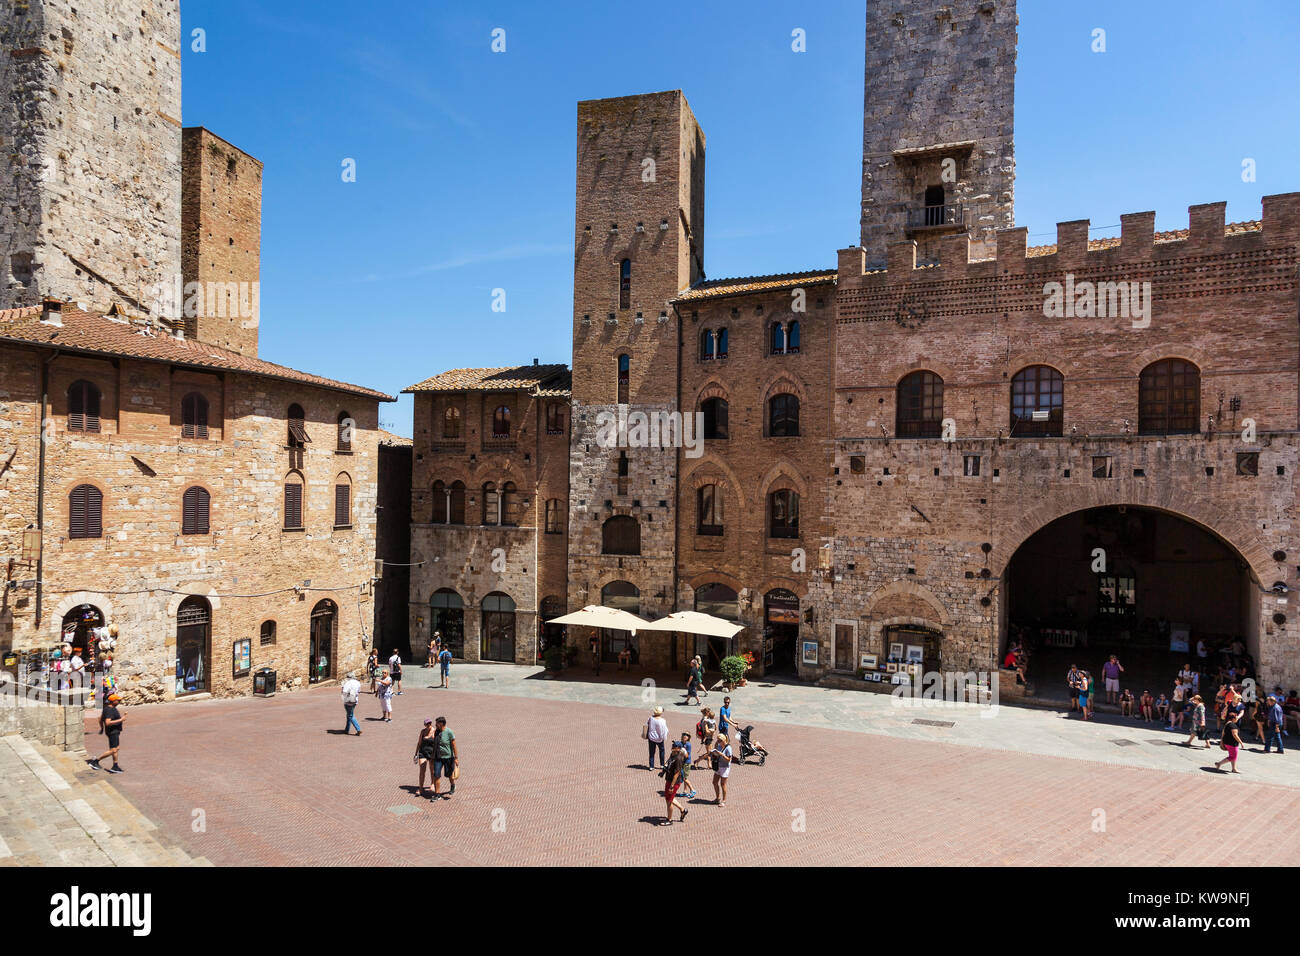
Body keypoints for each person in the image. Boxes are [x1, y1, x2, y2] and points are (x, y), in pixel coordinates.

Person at [89, 693, 125, 773]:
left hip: (113, 732)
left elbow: (100, 718)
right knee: (113, 750)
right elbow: (108, 722)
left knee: (116, 749)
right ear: (113, 701)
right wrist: (121, 720)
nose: (119, 701)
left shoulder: (107, 708)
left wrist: (102, 728)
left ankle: (115, 766)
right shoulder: (110, 710)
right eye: (118, 700)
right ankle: (95, 761)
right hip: (113, 732)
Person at [659, 742, 688, 825]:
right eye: (673, 745)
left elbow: (677, 773)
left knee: (669, 801)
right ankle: (683, 810)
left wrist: (672, 786)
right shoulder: (673, 754)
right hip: (669, 779)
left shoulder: (679, 758)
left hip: (674, 782)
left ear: (678, 748)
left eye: (674, 746)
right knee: (668, 798)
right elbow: (669, 763)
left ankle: (669, 820)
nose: (672, 747)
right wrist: (663, 771)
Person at [432, 716, 458, 798]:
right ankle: (437, 794)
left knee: (449, 774)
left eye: (437, 724)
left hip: (448, 757)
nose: (435, 725)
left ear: (441, 724)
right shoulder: (436, 732)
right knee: (436, 775)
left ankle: (452, 785)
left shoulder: (449, 732)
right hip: (438, 757)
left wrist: (456, 758)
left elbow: (454, 745)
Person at [711, 732, 734, 807]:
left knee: (723, 784)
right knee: (714, 782)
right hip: (718, 766)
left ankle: (724, 800)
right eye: (718, 740)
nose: (718, 742)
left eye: (720, 740)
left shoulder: (728, 748)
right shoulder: (719, 746)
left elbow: (729, 759)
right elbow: (715, 749)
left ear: (724, 740)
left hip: (725, 767)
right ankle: (717, 798)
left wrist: (722, 755)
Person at [415, 718, 437, 795]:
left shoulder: (435, 731)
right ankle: (421, 788)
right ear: (424, 725)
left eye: (429, 724)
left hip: (431, 753)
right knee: (422, 770)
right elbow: (419, 743)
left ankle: (432, 784)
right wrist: (415, 754)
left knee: (432, 770)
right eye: (427, 724)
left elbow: (437, 743)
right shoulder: (423, 731)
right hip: (423, 752)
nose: (428, 725)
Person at [645, 705, 668, 770]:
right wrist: (663, 737)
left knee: (651, 752)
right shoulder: (662, 721)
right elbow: (663, 730)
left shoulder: (650, 718)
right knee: (662, 751)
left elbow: (647, 724)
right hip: (659, 739)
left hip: (651, 737)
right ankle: (662, 764)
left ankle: (651, 766)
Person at [341, 671, 363, 736]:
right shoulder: (358, 682)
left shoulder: (347, 683)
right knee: (349, 714)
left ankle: (358, 729)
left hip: (348, 700)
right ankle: (347, 729)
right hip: (355, 700)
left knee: (350, 715)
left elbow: (344, 692)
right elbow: (359, 691)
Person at [676, 731, 696, 798]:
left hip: (686, 763)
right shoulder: (680, 743)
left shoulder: (688, 745)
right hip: (682, 762)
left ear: (688, 737)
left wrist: (682, 751)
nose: (685, 736)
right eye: (684, 734)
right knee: (684, 777)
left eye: (687, 735)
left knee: (684, 778)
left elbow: (687, 755)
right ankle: (685, 791)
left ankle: (692, 790)